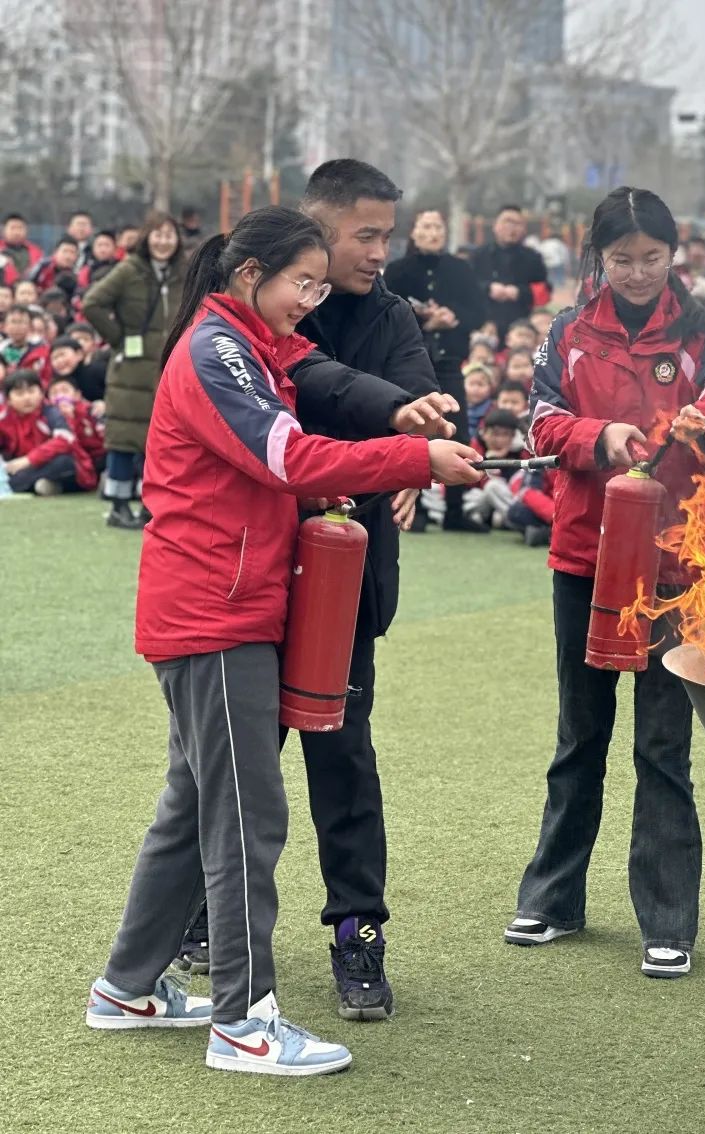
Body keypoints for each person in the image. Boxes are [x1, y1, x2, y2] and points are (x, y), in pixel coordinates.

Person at [83, 205, 480, 1075]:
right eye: (301, 282)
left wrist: (404, 417)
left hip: (225, 609)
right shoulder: (215, 350)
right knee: (244, 819)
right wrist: (414, 461)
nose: (314, 297)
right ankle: (243, 1020)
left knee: (192, 809)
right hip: (215, 618)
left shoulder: (253, 342)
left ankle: (127, 988)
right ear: (246, 276)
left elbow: (327, 379)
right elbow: (291, 457)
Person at [175, 158, 462, 1022]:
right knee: (220, 767)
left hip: (346, 576)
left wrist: (418, 425)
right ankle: (197, 913)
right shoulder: (248, 325)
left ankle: (357, 932)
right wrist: (399, 440)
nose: (382, 251)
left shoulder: (390, 315)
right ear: (314, 227)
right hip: (252, 577)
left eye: (389, 233)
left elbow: (410, 400)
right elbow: (308, 401)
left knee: (344, 758)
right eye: (364, 234)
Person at [506, 186, 705, 979]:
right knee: (581, 733)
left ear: (676, 254)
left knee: (664, 745)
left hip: (677, 568)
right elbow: (537, 423)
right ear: (596, 260)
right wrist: (594, 434)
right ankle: (552, 898)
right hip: (586, 557)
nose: (638, 273)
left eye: (651, 257)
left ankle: (667, 919)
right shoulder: (567, 334)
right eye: (621, 259)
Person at [384, 208, 489, 533]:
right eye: (426, 227)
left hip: (449, 360)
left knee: (457, 429)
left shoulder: (461, 269)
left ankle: (455, 511)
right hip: (408, 363)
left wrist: (453, 317)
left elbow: (478, 311)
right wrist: (424, 319)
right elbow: (385, 313)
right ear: (414, 232)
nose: (432, 233)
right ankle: (410, 510)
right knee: (413, 429)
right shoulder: (398, 270)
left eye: (438, 227)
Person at [83, 212, 187, 529]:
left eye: (169, 234)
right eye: (157, 234)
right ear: (146, 237)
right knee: (124, 439)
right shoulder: (129, 270)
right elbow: (92, 303)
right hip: (130, 368)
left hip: (170, 364)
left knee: (161, 442)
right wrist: (119, 339)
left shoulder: (184, 272)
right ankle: (117, 505)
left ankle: (149, 505)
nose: (163, 241)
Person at [0, 368, 96, 494]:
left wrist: (29, 460)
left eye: (31, 391)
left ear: (41, 393)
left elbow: (65, 440)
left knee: (64, 462)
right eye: (20, 394)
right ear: (9, 399)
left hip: (51, 464)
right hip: (24, 467)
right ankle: (43, 486)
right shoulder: (4, 417)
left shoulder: (50, 412)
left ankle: (21, 484)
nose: (27, 398)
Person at [470, 205, 551, 340]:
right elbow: (467, 286)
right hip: (485, 323)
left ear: (524, 229)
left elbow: (544, 292)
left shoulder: (533, 258)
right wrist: (488, 288)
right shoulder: (478, 256)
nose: (511, 227)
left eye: (517, 223)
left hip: (522, 325)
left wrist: (519, 292)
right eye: (507, 221)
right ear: (495, 226)